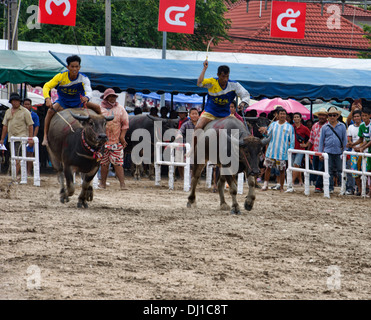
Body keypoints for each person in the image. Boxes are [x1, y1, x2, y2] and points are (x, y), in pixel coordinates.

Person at [42, 55, 101, 146]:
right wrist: (47, 98)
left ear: (79, 67)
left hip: (79, 102)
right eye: (72, 66)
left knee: (97, 107)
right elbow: (47, 86)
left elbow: (89, 91)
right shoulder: (61, 76)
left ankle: (103, 130)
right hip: (63, 102)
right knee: (50, 111)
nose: (74, 69)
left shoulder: (84, 78)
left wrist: (87, 97)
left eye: (76, 67)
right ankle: (45, 136)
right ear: (67, 67)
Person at [193, 60, 250, 151]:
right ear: (218, 75)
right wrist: (204, 68)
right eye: (223, 77)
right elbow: (199, 83)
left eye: (227, 77)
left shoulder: (234, 85)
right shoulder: (212, 82)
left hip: (226, 115)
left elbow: (245, 94)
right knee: (198, 127)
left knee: (240, 126)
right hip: (210, 113)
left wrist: (243, 103)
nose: (225, 79)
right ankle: (193, 150)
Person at [98, 88, 129, 190]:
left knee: (118, 163)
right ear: (106, 98)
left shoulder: (120, 109)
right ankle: (102, 183)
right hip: (103, 141)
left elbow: (125, 124)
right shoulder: (100, 109)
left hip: (116, 140)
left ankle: (122, 184)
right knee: (104, 163)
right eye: (110, 96)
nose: (112, 98)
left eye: (114, 96)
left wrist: (122, 136)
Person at [259, 106, 295, 192]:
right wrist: (264, 132)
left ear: (286, 115)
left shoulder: (289, 127)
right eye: (281, 114)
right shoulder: (273, 124)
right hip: (271, 151)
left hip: (282, 153)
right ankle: (265, 185)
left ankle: (282, 187)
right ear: (277, 115)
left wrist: (290, 151)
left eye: (284, 114)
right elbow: (267, 136)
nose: (282, 115)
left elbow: (292, 140)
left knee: (282, 170)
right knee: (268, 168)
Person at [0, 93, 34, 179]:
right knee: (12, 156)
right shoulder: (8, 111)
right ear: (11, 102)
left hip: (21, 137)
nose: (14, 102)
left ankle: (14, 175)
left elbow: (30, 125)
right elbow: (5, 126)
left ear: (19, 102)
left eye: (16, 101)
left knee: (17, 157)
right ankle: (13, 174)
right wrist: (2, 139)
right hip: (11, 138)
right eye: (13, 101)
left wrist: (30, 138)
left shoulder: (25, 112)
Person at [318, 106, 347, 194]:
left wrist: (345, 152)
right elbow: (321, 141)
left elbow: (344, 140)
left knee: (340, 171)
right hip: (328, 152)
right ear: (328, 116)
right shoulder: (324, 127)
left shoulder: (342, 126)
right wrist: (320, 153)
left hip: (338, 152)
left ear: (337, 116)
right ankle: (330, 188)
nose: (332, 117)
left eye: (334, 115)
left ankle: (343, 187)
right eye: (330, 115)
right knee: (329, 170)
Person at [349, 107, 371, 197]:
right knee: (367, 171)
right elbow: (363, 139)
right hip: (367, 150)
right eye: (363, 116)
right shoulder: (362, 126)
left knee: (367, 171)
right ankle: (367, 190)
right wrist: (354, 145)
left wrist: (362, 147)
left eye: (365, 116)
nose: (364, 117)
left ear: (370, 116)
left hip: (367, 150)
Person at [174, 107, 200, 180]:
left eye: (196, 114)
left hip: (199, 147)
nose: (194, 115)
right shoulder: (186, 124)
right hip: (187, 147)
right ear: (189, 115)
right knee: (184, 163)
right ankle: (184, 178)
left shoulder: (201, 124)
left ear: (198, 115)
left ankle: (194, 178)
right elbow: (180, 130)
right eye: (193, 114)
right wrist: (179, 134)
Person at [307, 108, 328, 193]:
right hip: (315, 151)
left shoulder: (328, 125)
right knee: (315, 168)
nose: (321, 117)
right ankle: (319, 185)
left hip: (324, 152)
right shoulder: (315, 125)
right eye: (320, 115)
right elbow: (311, 139)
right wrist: (308, 151)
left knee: (321, 168)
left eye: (323, 115)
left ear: (326, 116)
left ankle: (319, 186)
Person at [346, 109, 363, 195]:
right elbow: (349, 140)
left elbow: (365, 139)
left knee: (365, 171)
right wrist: (352, 145)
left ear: (361, 117)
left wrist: (359, 147)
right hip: (353, 152)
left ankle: (365, 189)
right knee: (355, 172)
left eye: (358, 116)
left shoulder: (364, 126)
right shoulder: (351, 127)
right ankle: (359, 189)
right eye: (355, 116)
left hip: (363, 151)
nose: (356, 118)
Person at [291, 112, 311, 186]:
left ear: (300, 118)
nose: (296, 118)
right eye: (295, 117)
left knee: (296, 164)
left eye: (297, 117)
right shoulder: (291, 127)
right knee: (296, 166)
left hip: (300, 149)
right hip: (292, 149)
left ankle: (292, 182)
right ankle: (300, 181)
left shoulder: (304, 128)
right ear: (293, 119)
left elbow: (311, 137)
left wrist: (306, 145)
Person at [23, 98, 40, 176]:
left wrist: (33, 137)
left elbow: (36, 126)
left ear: (31, 105)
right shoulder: (20, 114)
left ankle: (29, 172)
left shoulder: (34, 115)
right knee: (21, 154)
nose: (27, 106)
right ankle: (21, 172)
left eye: (28, 104)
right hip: (21, 136)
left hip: (30, 137)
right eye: (25, 104)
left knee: (30, 154)